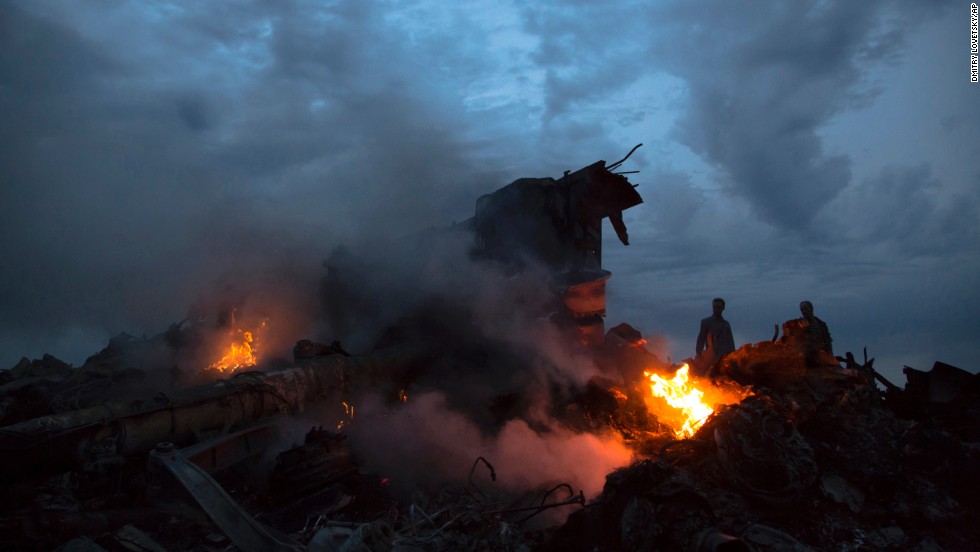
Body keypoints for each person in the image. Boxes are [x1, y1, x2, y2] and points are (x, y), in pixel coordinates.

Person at [696, 298, 736, 364]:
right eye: (714, 307)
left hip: (724, 359)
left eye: (718, 307)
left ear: (723, 308)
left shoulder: (726, 324)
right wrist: (699, 354)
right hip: (711, 358)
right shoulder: (706, 322)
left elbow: (730, 343)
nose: (715, 309)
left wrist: (732, 357)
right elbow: (701, 339)